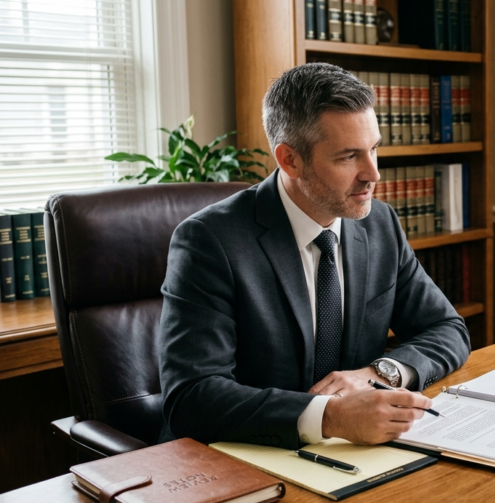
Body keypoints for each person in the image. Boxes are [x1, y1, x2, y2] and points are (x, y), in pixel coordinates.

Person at [158, 63, 470, 449]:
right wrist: (331, 416)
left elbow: (447, 329)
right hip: (244, 458)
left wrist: (379, 372)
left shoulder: (380, 224)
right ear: (289, 159)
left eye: (374, 149)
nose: (373, 174)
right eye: (348, 157)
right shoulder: (210, 241)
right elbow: (192, 398)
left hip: (355, 453)